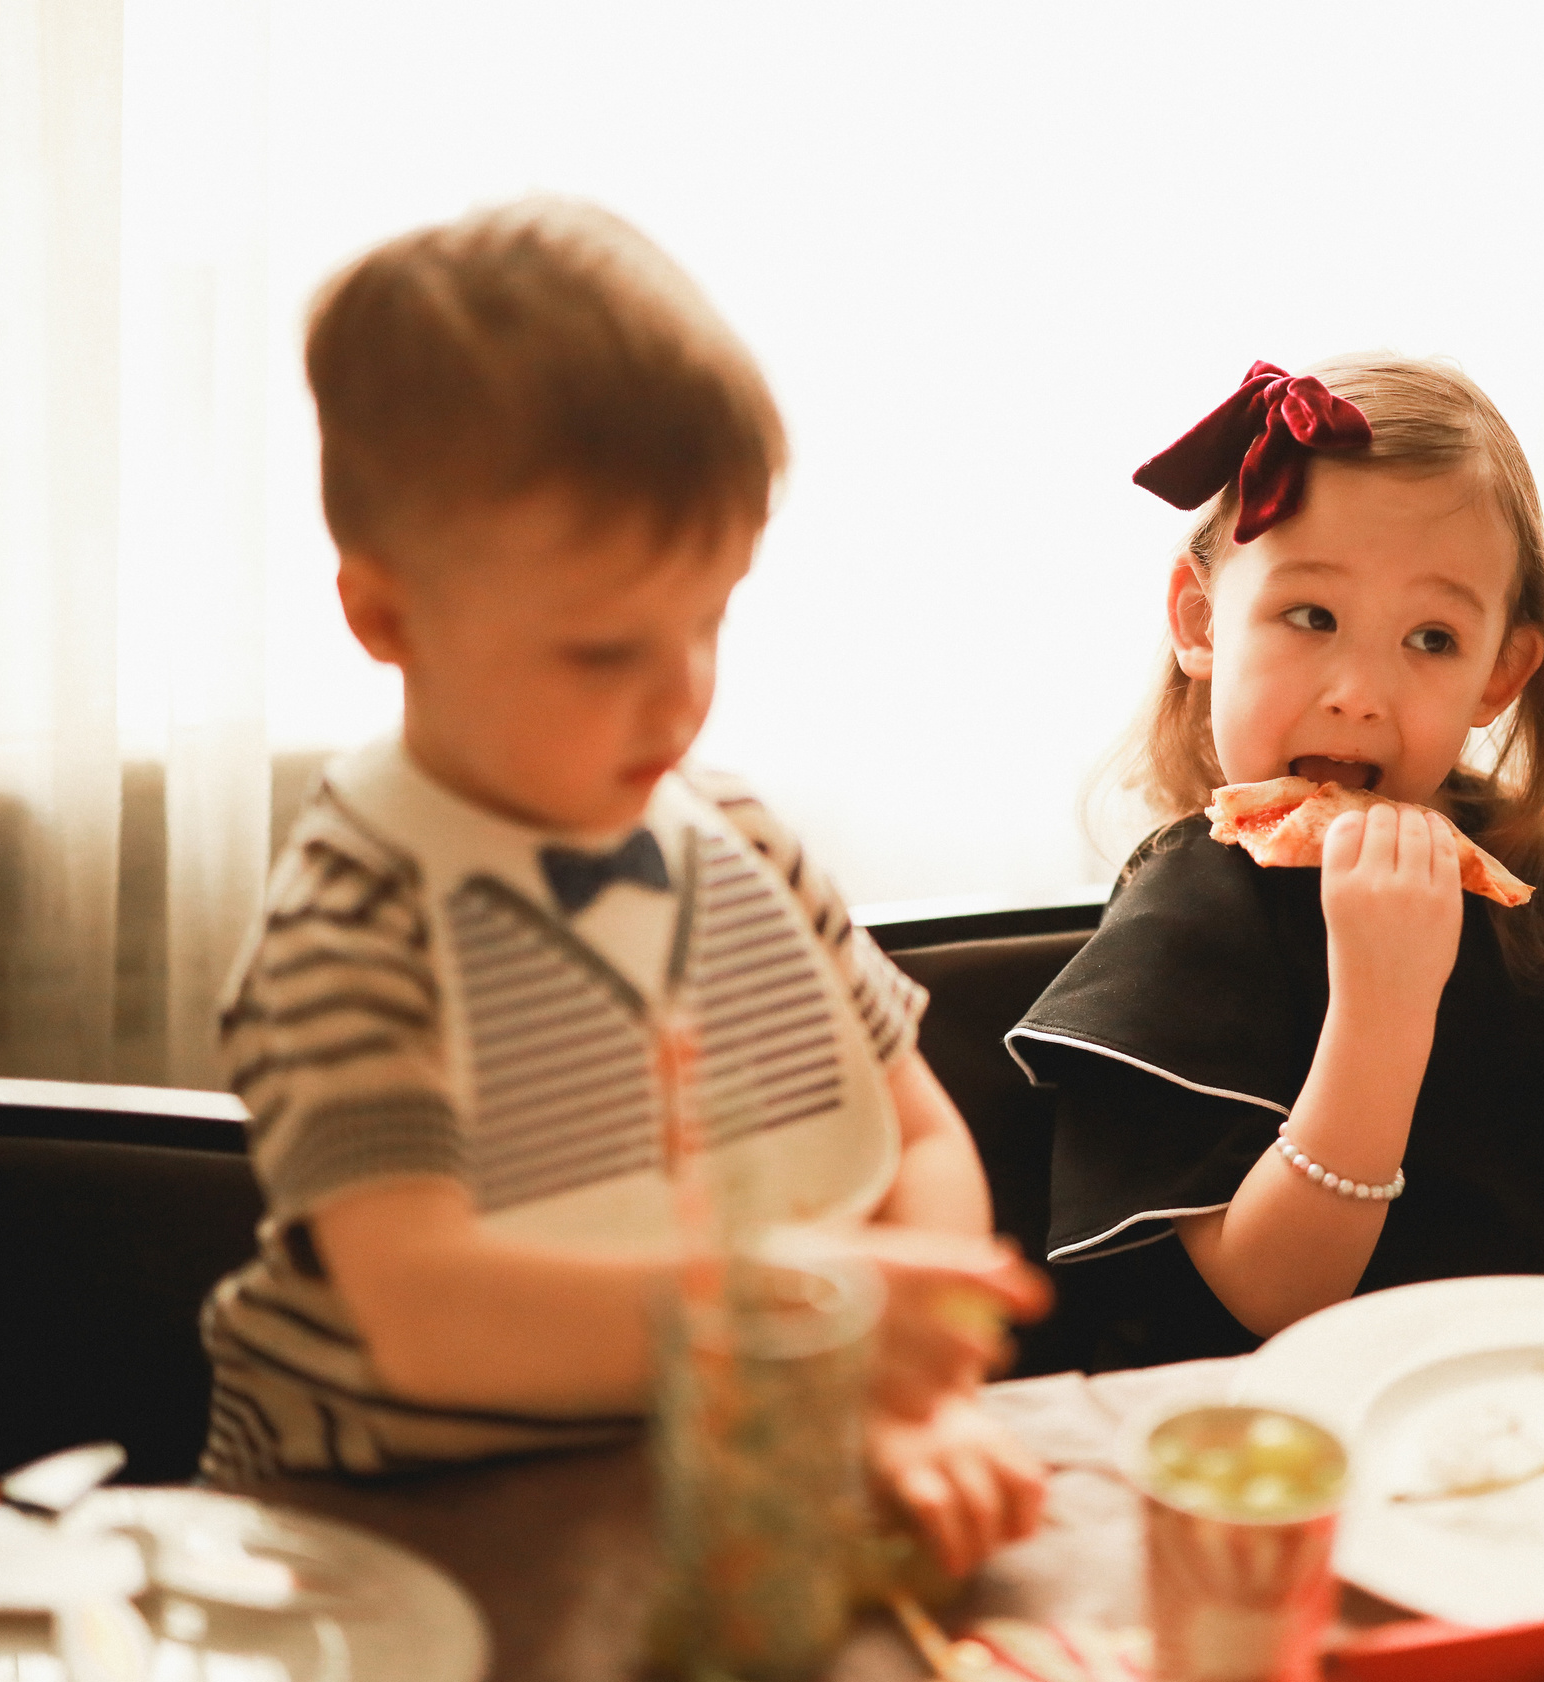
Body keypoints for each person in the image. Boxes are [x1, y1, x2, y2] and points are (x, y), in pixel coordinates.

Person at [199, 199, 1045, 1579]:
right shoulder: (351, 927)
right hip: (389, 1535)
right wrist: (805, 1317)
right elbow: (429, 1310)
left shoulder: (745, 836)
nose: (683, 691)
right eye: (602, 651)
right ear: (386, 614)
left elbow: (918, 1144)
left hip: (727, 1479)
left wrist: (902, 1382)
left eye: (709, 617)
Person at [1010, 357, 1544, 1368]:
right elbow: (1278, 1296)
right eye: (1310, 617)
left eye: (1431, 638)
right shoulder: (1184, 929)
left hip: (1542, 1414)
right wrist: (1384, 1007)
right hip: (1279, 1449)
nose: (1358, 692)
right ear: (1200, 619)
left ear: (1499, 675)